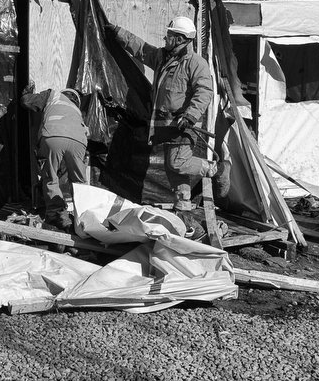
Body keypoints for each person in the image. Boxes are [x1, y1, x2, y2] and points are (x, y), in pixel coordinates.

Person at [106, 15, 223, 244]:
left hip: (183, 125)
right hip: (164, 127)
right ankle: (185, 218)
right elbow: (140, 48)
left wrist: (190, 115)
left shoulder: (195, 63)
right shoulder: (162, 57)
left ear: (180, 39)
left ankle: (214, 169)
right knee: (175, 175)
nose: (165, 38)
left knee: (177, 163)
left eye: (170, 35)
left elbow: (204, 92)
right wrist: (118, 32)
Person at [19, 81, 89, 231]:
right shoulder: (77, 112)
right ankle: (85, 217)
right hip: (79, 142)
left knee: (51, 178)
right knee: (79, 182)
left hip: (54, 137)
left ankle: (55, 215)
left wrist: (27, 94)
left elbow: (27, 102)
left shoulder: (53, 95)